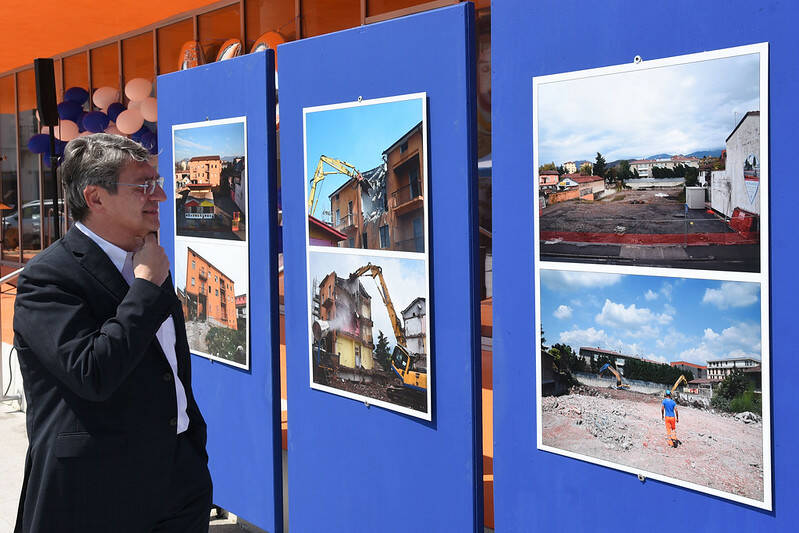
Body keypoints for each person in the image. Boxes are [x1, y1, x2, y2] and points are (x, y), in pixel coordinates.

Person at [13, 134, 211, 532]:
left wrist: (191, 452)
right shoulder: (48, 278)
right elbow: (92, 373)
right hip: (98, 491)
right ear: (95, 197)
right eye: (143, 185)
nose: (161, 196)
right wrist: (145, 289)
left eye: (156, 181)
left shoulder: (148, 258)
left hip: (177, 482)